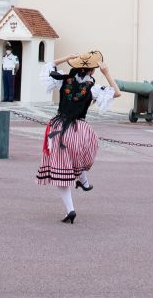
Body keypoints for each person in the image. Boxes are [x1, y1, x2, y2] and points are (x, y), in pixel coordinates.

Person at [36, 51, 120, 223]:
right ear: (91, 72)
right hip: (80, 129)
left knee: (61, 167)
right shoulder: (93, 88)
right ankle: (84, 181)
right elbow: (116, 93)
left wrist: (66, 58)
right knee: (76, 157)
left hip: (59, 128)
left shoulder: (63, 81)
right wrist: (107, 73)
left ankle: (71, 210)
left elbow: (48, 66)